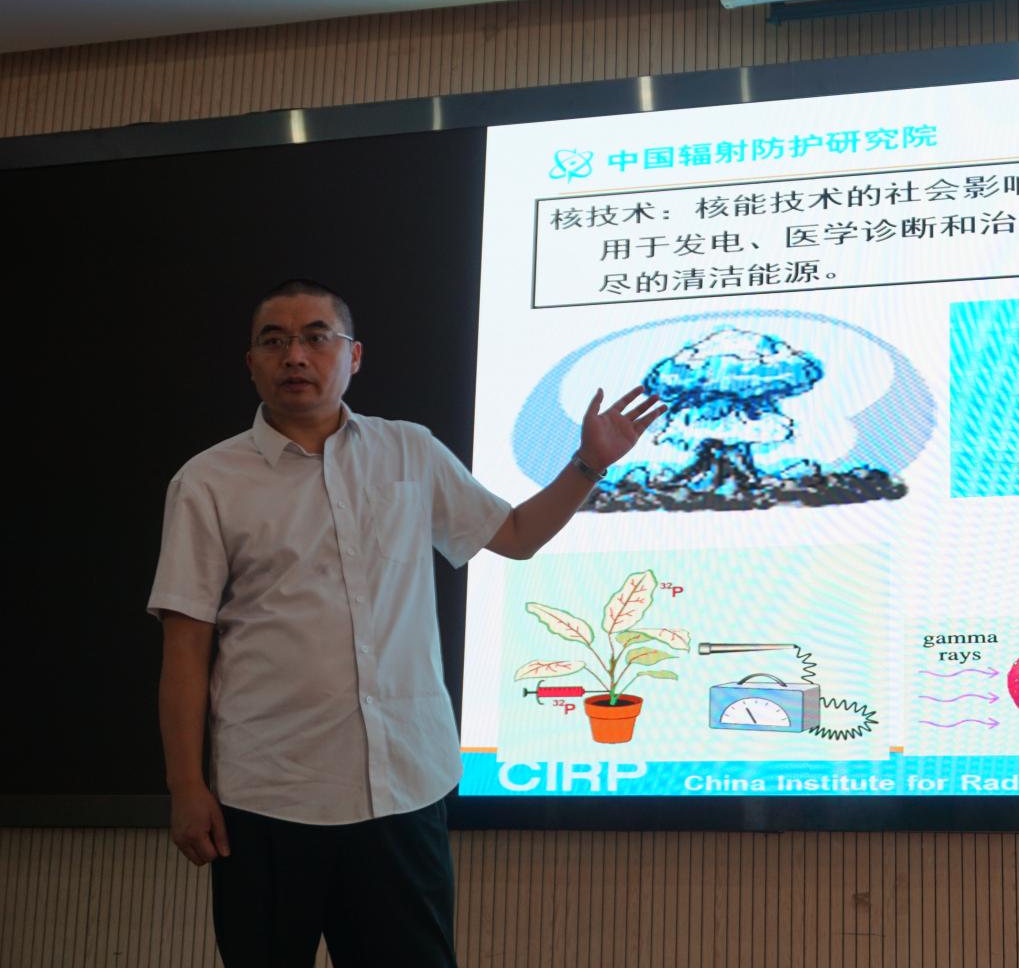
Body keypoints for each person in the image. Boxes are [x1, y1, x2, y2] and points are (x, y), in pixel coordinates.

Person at [149, 279, 662, 967]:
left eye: (316, 337)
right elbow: (185, 648)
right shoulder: (208, 481)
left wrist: (588, 464)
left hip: (403, 792)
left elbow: (515, 536)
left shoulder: (410, 451)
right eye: (274, 341)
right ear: (251, 363)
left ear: (353, 356)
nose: (295, 355)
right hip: (268, 796)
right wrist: (186, 787)